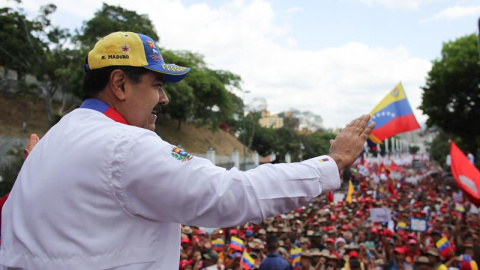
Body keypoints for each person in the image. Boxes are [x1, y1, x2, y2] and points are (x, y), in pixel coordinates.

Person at [0, 31, 374, 269]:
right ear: (119, 83)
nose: (163, 99)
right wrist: (333, 162)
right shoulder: (124, 145)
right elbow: (230, 195)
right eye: (157, 84)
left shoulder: (55, 138)